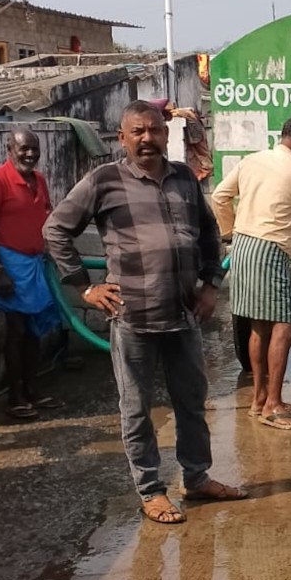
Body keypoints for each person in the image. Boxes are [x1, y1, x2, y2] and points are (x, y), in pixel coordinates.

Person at [44, 101, 246, 525]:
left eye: (154, 130)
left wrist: (211, 286)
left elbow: (209, 234)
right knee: (137, 409)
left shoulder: (185, 178)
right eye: (137, 131)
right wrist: (84, 287)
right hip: (133, 316)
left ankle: (196, 478)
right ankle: (151, 490)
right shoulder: (104, 180)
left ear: (165, 134)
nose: (147, 138)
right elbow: (56, 228)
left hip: (184, 315)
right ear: (122, 138)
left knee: (192, 402)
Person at [210, 114, 291, 431]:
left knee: (260, 325)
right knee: (286, 327)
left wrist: (229, 231)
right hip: (270, 251)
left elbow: (219, 196)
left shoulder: (252, 161)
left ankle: (259, 399)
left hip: (242, 248)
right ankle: (274, 407)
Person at [0, 128, 64, 420]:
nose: (30, 154)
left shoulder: (39, 180)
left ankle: (32, 391)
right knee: (17, 330)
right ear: (9, 149)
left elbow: (47, 216)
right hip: (10, 264)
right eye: (24, 148)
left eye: (34, 149)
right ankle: (15, 397)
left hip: (35, 263)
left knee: (34, 330)